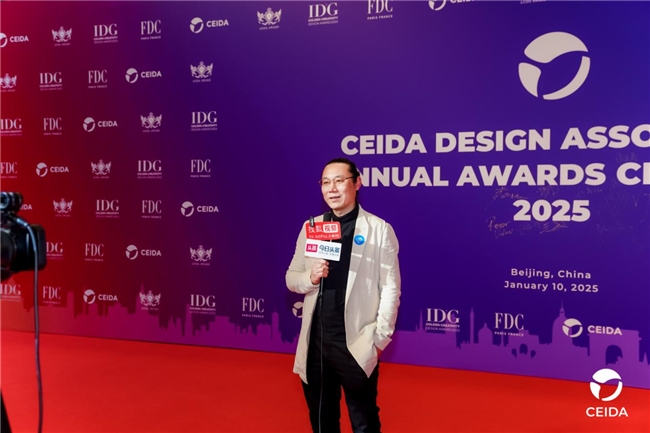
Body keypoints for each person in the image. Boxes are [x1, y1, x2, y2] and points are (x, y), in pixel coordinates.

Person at [286, 157, 401, 433]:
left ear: (357, 183)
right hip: (316, 343)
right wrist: (310, 277)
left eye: (339, 181)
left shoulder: (378, 229)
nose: (332, 189)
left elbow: (390, 288)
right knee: (322, 421)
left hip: (356, 341)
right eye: (326, 182)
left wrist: (379, 339)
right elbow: (292, 278)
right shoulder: (312, 227)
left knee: (364, 422)